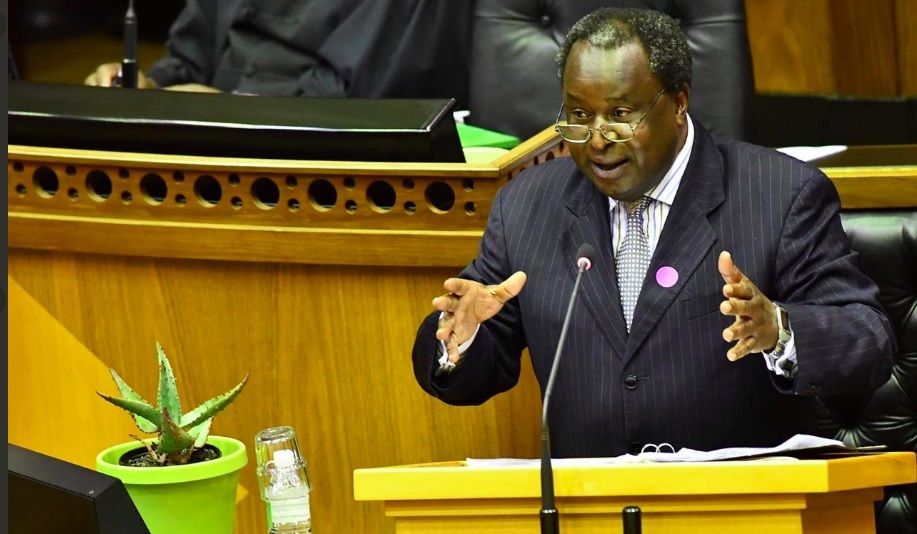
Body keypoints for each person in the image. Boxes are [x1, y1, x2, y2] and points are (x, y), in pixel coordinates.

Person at [411, 7, 896, 458]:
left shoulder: (780, 195)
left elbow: (869, 341)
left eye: (621, 115)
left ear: (679, 102)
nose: (597, 139)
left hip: (740, 510)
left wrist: (779, 329)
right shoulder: (528, 205)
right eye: (579, 116)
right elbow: (476, 364)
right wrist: (462, 340)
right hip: (588, 518)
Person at [84, 0, 470, 105]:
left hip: (324, 174)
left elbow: (360, 106)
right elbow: (188, 60)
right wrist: (142, 86)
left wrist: (228, 111)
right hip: (198, 151)